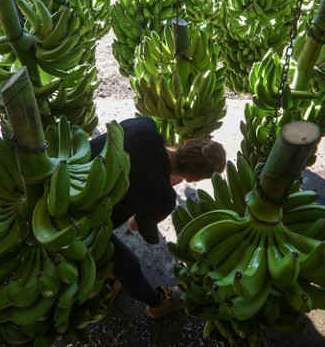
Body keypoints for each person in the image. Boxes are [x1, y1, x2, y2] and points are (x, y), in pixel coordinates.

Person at [89, 117, 227, 319]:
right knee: (130, 268)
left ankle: (106, 273)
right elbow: (135, 226)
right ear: (192, 179)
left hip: (66, 174)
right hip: (84, 223)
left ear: (188, 142)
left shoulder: (145, 126)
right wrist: (156, 195)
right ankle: (158, 302)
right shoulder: (163, 198)